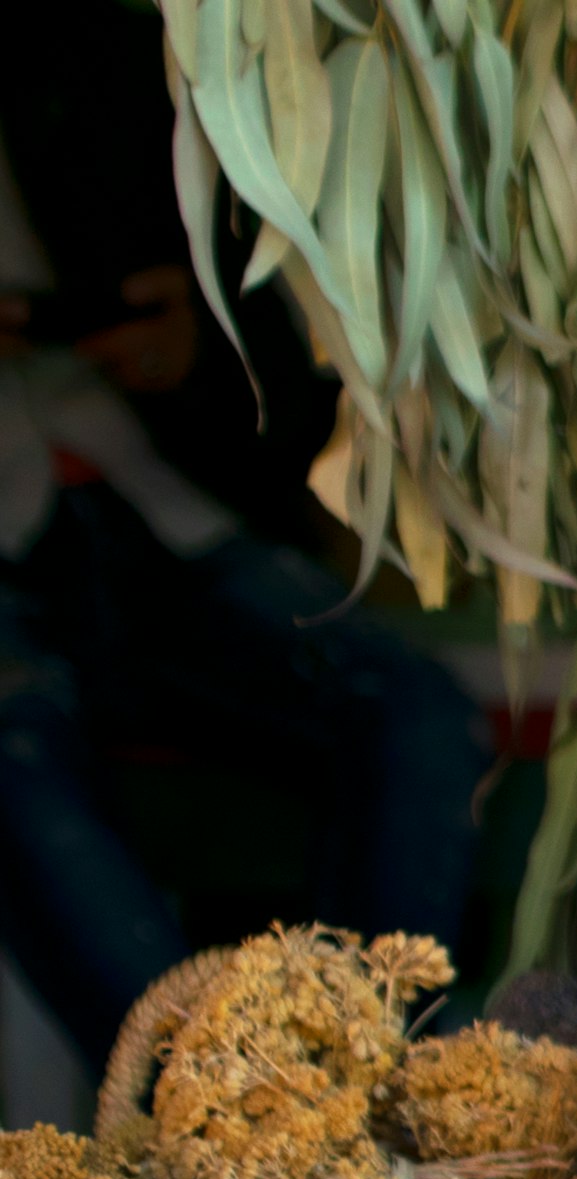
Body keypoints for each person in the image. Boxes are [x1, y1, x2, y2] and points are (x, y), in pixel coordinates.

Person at [0, 0, 489, 1069]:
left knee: (415, 716)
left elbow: (261, 351)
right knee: (13, 752)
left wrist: (184, 349)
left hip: (152, 512)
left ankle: (346, 1087)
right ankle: (208, 1109)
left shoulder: (97, 50)